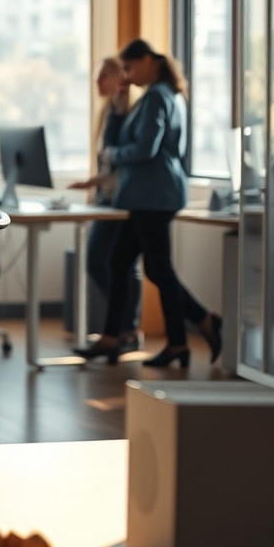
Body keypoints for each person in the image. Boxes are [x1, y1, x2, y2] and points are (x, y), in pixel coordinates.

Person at [76, 39, 223, 368]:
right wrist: (119, 106)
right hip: (146, 195)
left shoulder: (157, 96)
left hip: (153, 196)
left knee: (158, 268)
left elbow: (145, 149)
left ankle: (189, 333)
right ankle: (117, 336)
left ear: (146, 60)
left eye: (129, 67)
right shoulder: (162, 95)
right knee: (119, 262)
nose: (126, 75)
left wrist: (113, 155)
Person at [67, 56, 142, 357]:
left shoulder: (125, 112)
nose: (97, 82)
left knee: (111, 262)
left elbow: (121, 159)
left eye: (103, 77)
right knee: (106, 262)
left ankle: (128, 328)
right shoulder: (108, 110)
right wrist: (92, 184)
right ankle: (122, 328)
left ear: (117, 78)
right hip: (106, 197)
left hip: (120, 199)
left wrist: (94, 183)